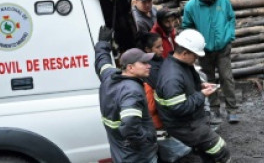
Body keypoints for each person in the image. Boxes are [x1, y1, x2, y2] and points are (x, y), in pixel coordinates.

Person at [155, 29, 230, 163]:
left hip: (191, 118)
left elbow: (187, 83)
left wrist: (200, 85)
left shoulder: (181, 63)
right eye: (195, 56)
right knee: (220, 149)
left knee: (207, 151)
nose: (196, 59)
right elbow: (179, 107)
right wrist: (201, 95)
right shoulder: (171, 77)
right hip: (183, 125)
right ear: (185, 53)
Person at [181, 0, 239, 124]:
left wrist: (229, 36)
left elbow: (231, 18)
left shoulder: (223, 0)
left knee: (226, 77)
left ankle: (232, 109)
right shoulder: (191, 6)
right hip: (204, 50)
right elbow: (187, 26)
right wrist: (194, 44)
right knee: (209, 79)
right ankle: (214, 108)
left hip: (222, 47)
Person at [94, 26, 158, 163]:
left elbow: (102, 62)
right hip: (138, 156)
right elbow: (129, 125)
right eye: (144, 63)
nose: (149, 66)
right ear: (130, 67)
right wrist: (147, 139)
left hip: (120, 153)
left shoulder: (110, 76)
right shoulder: (132, 91)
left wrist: (102, 44)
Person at [137, 32, 192, 163]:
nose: (162, 49)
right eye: (158, 47)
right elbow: (151, 106)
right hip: (161, 121)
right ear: (147, 50)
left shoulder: (160, 61)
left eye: (162, 46)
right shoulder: (149, 71)